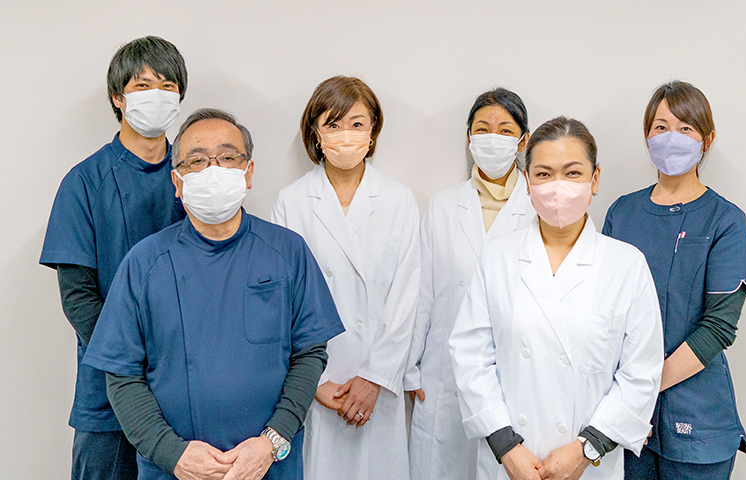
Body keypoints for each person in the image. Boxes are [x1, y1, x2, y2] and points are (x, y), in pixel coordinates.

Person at [82, 108, 345, 480]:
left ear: (248, 172)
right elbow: (122, 376)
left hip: (268, 465)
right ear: (177, 181)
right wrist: (171, 453)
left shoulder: (287, 252)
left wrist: (272, 441)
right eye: (197, 161)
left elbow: (310, 354)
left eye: (227, 158)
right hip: (173, 469)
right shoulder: (144, 263)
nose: (213, 170)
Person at [449, 116, 664, 480]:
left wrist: (586, 449)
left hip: (589, 465)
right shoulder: (497, 257)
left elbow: (641, 373)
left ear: (595, 179)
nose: (558, 187)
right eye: (544, 174)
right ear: (527, 182)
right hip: (509, 463)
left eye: (573, 173)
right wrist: (507, 447)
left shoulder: (626, 265)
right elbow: (470, 356)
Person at [39, 35, 188, 480]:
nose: (156, 96)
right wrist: (131, 362)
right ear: (117, 98)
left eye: (167, 86)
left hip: (185, 382)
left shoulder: (197, 180)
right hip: (108, 387)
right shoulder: (84, 182)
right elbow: (79, 298)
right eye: (142, 86)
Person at [602, 81, 746, 479]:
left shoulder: (725, 220)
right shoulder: (622, 213)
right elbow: (602, 311)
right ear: (647, 136)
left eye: (686, 128)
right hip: (624, 419)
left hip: (696, 417)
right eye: (661, 127)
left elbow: (718, 327)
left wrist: (641, 389)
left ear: (708, 139)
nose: (672, 137)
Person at [271, 76, 420, 480]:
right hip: (318, 382)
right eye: (333, 124)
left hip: (379, 387)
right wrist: (315, 382)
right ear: (316, 133)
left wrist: (374, 378)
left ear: (373, 132)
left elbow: (407, 298)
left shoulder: (398, 199)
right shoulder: (291, 202)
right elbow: (282, 303)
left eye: (357, 124)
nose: (346, 135)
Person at [404, 88, 535, 480]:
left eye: (505, 129)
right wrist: (411, 369)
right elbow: (423, 293)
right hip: (443, 375)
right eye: (482, 128)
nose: (493, 138)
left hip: (514, 376)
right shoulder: (443, 205)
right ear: (469, 138)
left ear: (523, 141)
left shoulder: (538, 207)